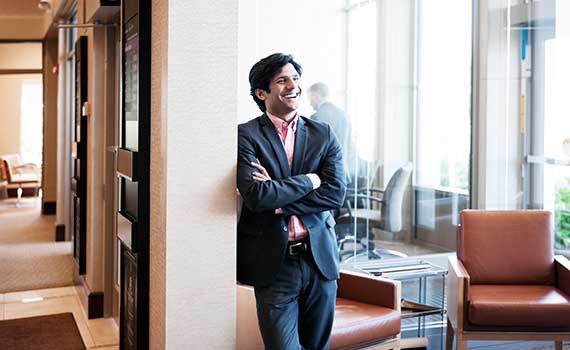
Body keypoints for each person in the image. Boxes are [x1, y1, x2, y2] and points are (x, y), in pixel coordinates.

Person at [237, 53, 347, 350]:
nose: (292, 86)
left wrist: (278, 198)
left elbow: (336, 193)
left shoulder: (322, 133)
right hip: (275, 263)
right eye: (282, 80)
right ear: (262, 92)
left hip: (319, 260)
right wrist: (311, 181)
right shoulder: (245, 135)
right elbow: (256, 195)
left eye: (295, 78)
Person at [308, 83, 356, 184]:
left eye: (310, 98)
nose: (310, 103)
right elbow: (349, 143)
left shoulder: (315, 118)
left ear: (315, 96)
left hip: (325, 174)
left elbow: (315, 151)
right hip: (344, 169)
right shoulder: (343, 114)